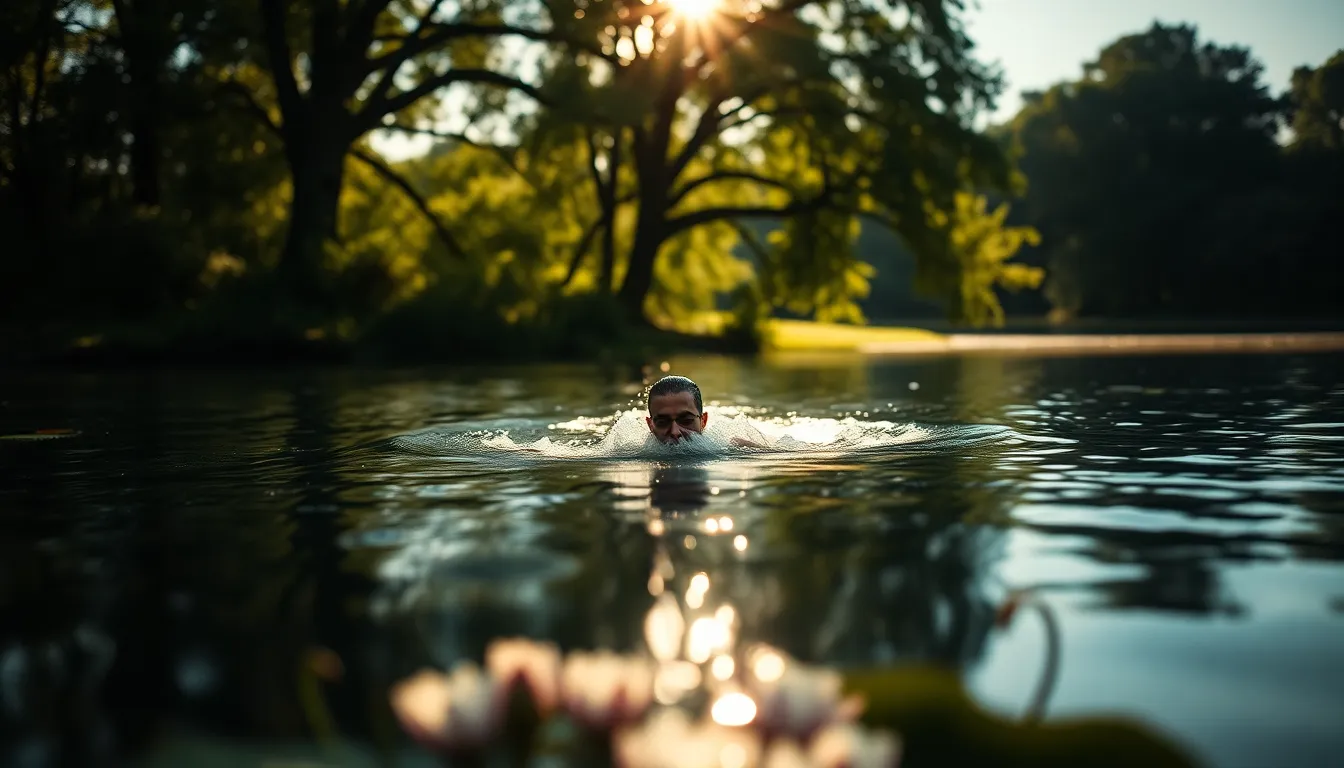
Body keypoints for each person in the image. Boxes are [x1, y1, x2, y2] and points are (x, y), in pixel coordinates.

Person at [645, 375, 767, 448]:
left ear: (703, 421)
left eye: (686, 421)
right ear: (650, 425)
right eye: (662, 422)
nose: (675, 432)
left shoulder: (730, 447)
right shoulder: (631, 453)